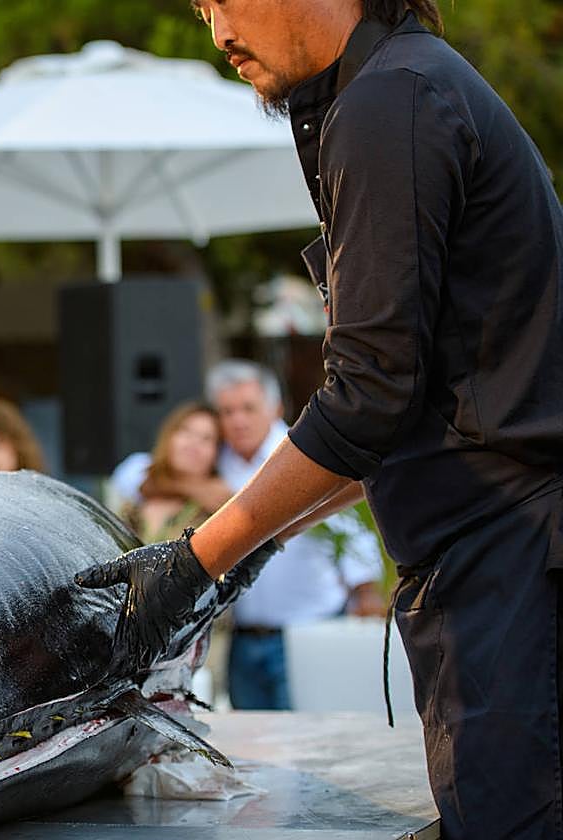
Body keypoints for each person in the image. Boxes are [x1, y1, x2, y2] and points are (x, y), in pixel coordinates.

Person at [78, 1, 563, 836]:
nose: (218, 31)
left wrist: (194, 561)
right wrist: (260, 536)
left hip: (509, 561)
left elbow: (368, 401)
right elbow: (407, 410)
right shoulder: (406, 84)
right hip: (499, 558)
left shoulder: (389, 98)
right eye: (200, 8)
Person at [206, 360, 380, 710]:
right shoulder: (214, 460)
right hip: (242, 640)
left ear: (275, 408)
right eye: (227, 411)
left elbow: (353, 530)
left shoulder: (305, 456)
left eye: (248, 408)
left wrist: (367, 594)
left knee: (310, 738)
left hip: (309, 633)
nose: (238, 420)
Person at [124, 402, 231, 543]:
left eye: (206, 438)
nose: (194, 443)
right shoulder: (140, 490)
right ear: (169, 436)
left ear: (217, 452)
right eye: (187, 431)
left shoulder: (222, 510)